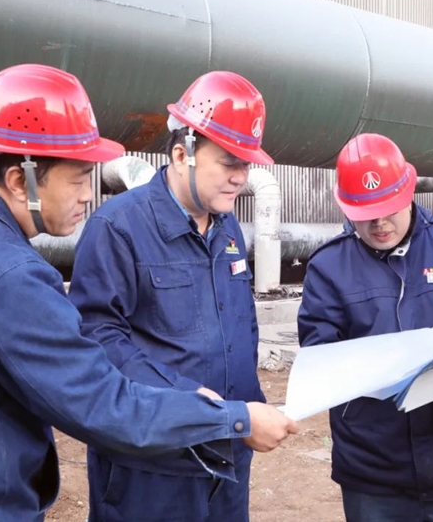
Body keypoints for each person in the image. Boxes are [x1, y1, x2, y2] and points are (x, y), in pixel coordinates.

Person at [0, 63, 297, 522]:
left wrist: (240, 413)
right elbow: (99, 397)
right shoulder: (18, 271)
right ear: (20, 180)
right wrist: (228, 417)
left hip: (221, 455)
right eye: (78, 178)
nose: (88, 194)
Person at [68, 70, 285, 522]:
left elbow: (240, 321)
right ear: (183, 153)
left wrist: (247, 406)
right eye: (229, 163)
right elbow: (99, 340)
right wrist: (198, 402)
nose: (241, 178)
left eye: (247, 165)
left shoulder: (226, 227)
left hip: (227, 458)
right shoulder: (118, 229)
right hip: (151, 470)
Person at [298, 133, 433, 522]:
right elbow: (319, 357)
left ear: (408, 192)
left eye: (388, 209)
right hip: (374, 469)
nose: (379, 223)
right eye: (365, 213)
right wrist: (382, 368)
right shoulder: (328, 267)